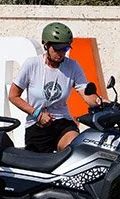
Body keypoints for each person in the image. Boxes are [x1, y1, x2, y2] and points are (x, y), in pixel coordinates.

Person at [8, 22, 102, 153]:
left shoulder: (72, 66)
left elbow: (86, 93)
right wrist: (37, 114)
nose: (61, 53)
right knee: (40, 169)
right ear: (46, 45)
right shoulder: (32, 64)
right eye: (57, 48)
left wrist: (101, 102)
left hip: (63, 123)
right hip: (37, 124)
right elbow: (13, 96)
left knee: (74, 149)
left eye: (65, 49)